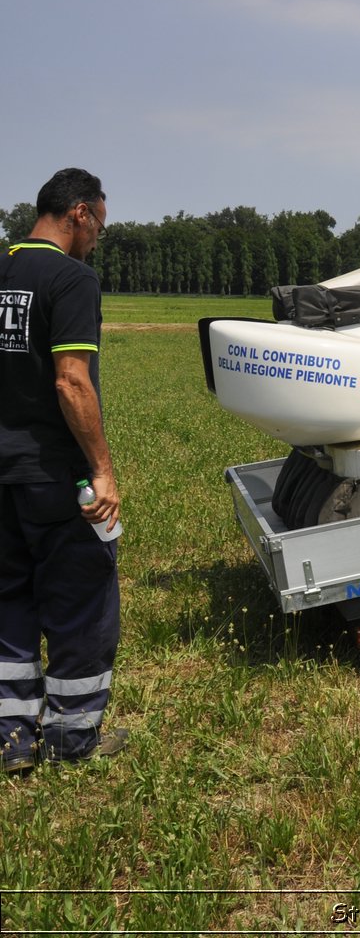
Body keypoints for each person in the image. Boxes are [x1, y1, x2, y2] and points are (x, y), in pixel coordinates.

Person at [0, 168, 127, 774]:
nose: (98, 238)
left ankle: (12, 740)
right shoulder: (71, 279)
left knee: (8, 604)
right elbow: (71, 379)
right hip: (55, 478)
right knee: (81, 599)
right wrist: (102, 469)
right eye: (99, 224)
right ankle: (73, 739)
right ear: (78, 213)